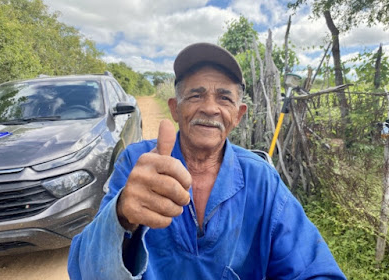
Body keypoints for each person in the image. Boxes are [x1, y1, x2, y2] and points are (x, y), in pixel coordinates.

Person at [68, 42, 346, 280]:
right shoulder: (137, 163)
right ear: (175, 109)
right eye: (196, 95)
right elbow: (82, 269)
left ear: (238, 115)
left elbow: (314, 269)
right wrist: (122, 214)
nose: (210, 108)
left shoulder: (261, 180)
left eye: (224, 98)